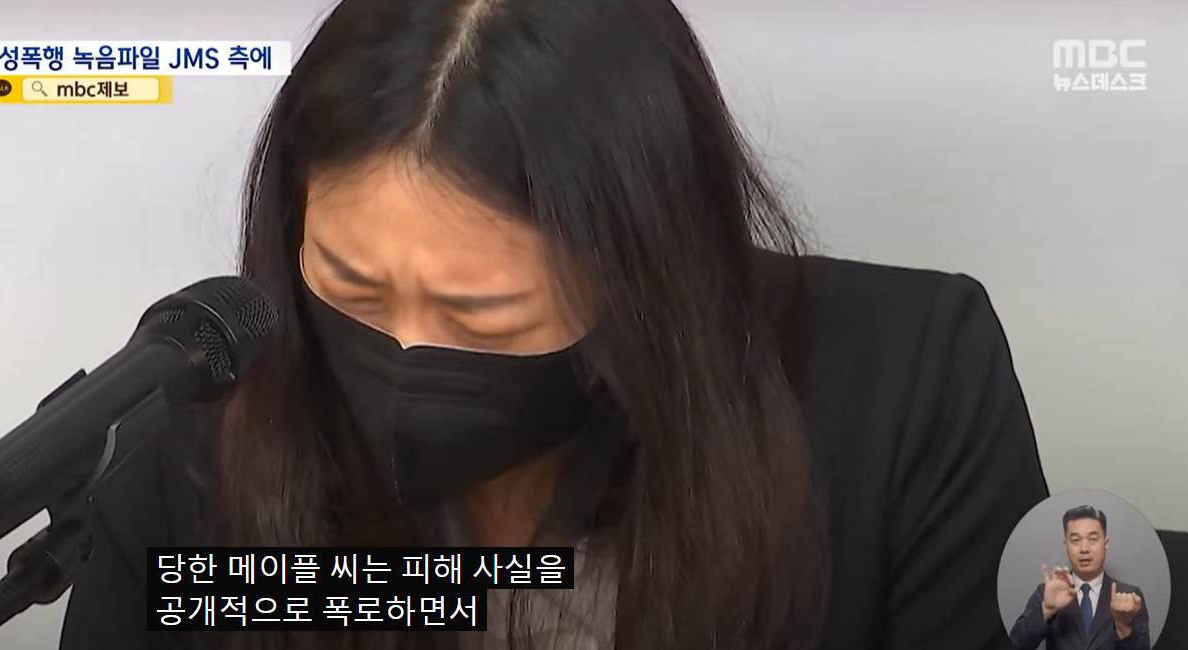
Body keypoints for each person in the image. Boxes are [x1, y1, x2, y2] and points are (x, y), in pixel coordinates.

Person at [57, 0, 1050, 648]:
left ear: (646, 273)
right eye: (352, 290)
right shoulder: (178, 435)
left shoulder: (909, 382)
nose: (407, 350)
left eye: (480, 312)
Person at [1009, 506, 1152, 650]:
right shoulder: (1046, 593)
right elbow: (1015, 644)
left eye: (1092, 539)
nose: (1084, 549)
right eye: (1076, 540)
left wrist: (1123, 625)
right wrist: (1046, 610)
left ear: (1106, 544)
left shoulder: (1130, 597)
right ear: (1066, 546)